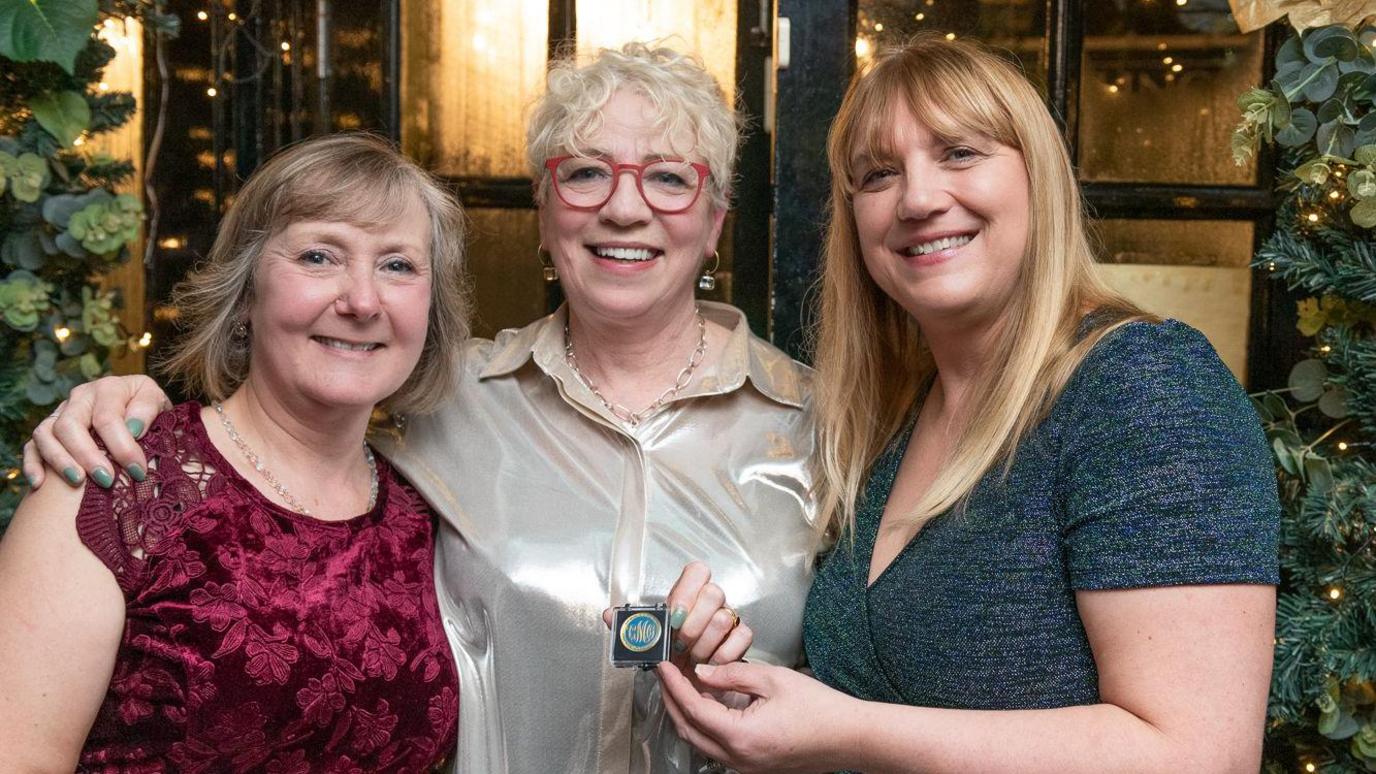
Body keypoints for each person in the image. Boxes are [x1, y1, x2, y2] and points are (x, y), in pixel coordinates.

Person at [22, 44, 817, 774]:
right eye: (584, 173)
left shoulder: (826, 426)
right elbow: (271, 418)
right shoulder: (441, 399)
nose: (624, 208)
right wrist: (128, 401)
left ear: (716, 225)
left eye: (671, 178)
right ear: (544, 212)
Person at [653, 34, 1281, 772]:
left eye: (959, 153)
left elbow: (1199, 757)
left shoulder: (1141, 387)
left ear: (1036, 176)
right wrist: (747, 700)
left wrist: (849, 730)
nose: (918, 199)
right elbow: (886, 703)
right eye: (880, 174)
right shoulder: (898, 415)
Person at [0, 133, 468, 771]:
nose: (362, 301)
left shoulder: (430, 509)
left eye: (397, 266)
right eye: (319, 256)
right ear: (246, 292)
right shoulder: (111, 490)